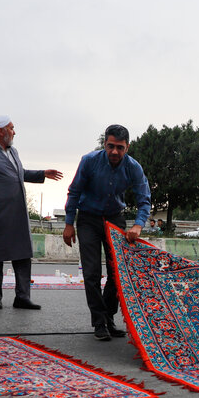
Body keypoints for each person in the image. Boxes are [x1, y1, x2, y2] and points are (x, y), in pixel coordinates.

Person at [63, 124, 151, 341]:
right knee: (91, 272)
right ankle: (99, 321)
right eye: (110, 146)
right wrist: (68, 223)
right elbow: (74, 191)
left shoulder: (133, 167)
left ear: (127, 148)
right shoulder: (89, 161)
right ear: (104, 144)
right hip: (88, 219)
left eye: (119, 148)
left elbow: (144, 199)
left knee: (117, 272)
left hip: (114, 218)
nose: (114, 152)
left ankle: (109, 317)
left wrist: (138, 225)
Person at [0, 115, 62, 310]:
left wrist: (42, 174)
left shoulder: (13, 151)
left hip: (18, 215)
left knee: (23, 255)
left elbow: (18, 173)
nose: (14, 132)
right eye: (11, 128)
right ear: (1, 131)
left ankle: (22, 297)